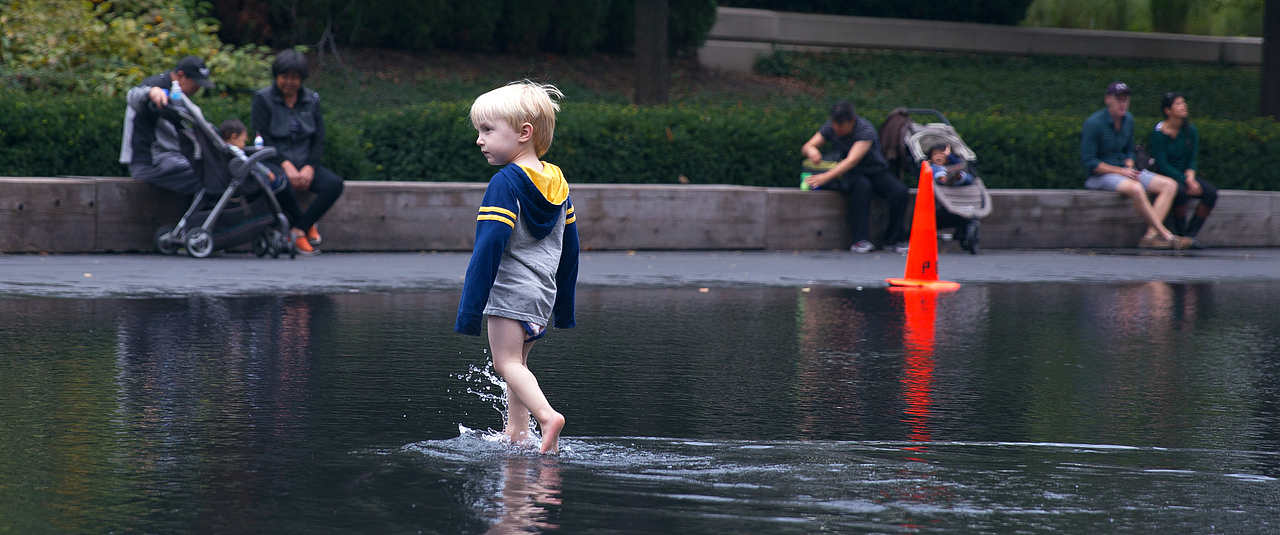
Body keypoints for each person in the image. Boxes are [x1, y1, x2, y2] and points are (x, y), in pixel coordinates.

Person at [454, 81, 578, 455]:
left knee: (504, 361)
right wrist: (564, 307)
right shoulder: (556, 182)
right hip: (541, 294)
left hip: (510, 292)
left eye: (488, 130)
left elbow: (488, 246)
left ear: (525, 133)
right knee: (518, 364)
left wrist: (468, 311)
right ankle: (516, 432)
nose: (479, 139)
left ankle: (546, 416)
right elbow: (570, 250)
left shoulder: (505, 183)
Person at [251, 49, 344, 256]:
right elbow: (262, 138)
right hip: (274, 160)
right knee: (280, 181)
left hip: (305, 161)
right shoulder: (262, 99)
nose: (289, 82)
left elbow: (319, 139)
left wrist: (310, 166)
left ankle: (299, 229)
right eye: (284, 77)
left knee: (334, 184)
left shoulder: (312, 100)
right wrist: (285, 164)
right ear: (276, 76)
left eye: (295, 77)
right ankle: (304, 228)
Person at [1081, 82, 1193, 250]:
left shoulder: (1129, 120)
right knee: (1136, 189)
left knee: (1170, 185)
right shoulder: (1094, 123)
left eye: (1126, 99)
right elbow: (1089, 161)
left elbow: (1129, 150)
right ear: (1107, 100)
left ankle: (1149, 237)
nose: (1123, 103)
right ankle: (1166, 235)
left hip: (1125, 171)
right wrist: (1120, 171)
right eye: (1118, 99)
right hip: (1101, 176)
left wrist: (1129, 164)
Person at [801, 100, 909, 253]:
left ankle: (894, 239)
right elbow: (806, 146)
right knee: (862, 187)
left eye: (841, 125)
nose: (836, 128)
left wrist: (825, 177)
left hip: (874, 170)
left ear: (852, 121)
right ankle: (859, 240)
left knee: (900, 192)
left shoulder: (864, 129)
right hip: (852, 173)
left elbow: (852, 160)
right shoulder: (830, 127)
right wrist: (811, 150)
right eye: (834, 124)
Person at [119, 55, 216, 195]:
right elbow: (133, 96)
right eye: (196, 84)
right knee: (209, 180)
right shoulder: (156, 84)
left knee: (213, 173)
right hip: (150, 163)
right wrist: (152, 92)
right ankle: (199, 217)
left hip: (172, 160)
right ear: (181, 76)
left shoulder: (179, 96)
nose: (197, 89)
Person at [1149, 92, 1215, 248]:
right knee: (1180, 191)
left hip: (1185, 175)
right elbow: (1163, 164)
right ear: (1168, 111)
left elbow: (1191, 159)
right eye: (1178, 104)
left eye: (1184, 103)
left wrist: (1190, 177)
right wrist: (1186, 180)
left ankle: (1191, 234)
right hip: (1167, 175)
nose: (1183, 106)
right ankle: (1180, 232)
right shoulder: (1158, 133)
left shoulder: (1190, 130)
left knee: (1211, 193)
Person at [218, 118, 284, 191]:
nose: (244, 145)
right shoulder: (235, 151)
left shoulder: (223, 149)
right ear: (234, 138)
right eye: (243, 140)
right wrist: (267, 172)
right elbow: (250, 163)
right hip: (245, 181)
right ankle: (274, 185)